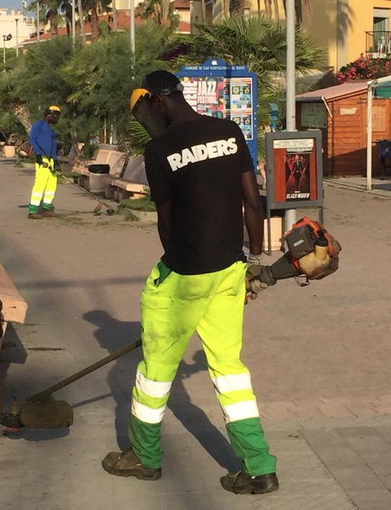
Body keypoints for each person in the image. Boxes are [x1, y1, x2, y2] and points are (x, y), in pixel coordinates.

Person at [102, 70, 278, 495]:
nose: (146, 121)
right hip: (230, 271)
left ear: (157, 101)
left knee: (156, 373)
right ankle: (258, 467)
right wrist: (252, 260)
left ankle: (144, 457)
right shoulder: (229, 130)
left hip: (182, 279)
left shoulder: (160, 149)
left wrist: (178, 272)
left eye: (144, 112)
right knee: (230, 371)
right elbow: (254, 203)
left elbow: (167, 223)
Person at [28, 105, 61, 219]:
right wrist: (38, 155)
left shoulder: (50, 128)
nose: (56, 119)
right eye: (55, 116)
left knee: (52, 184)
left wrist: (55, 160)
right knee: (40, 184)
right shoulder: (39, 125)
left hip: (51, 159)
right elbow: (32, 140)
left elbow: (52, 146)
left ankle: (47, 208)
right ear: (49, 115)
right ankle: (33, 210)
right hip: (42, 158)